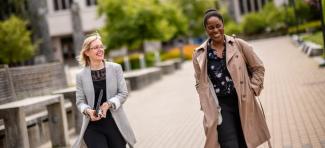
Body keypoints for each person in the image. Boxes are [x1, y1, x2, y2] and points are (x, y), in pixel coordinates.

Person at [192, 9, 271, 148]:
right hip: (220, 106)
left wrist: (253, 89)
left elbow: (258, 67)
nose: (215, 30)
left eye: (218, 26)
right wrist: (205, 103)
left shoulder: (238, 44)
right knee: (229, 144)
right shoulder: (200, 54)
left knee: (245, 143)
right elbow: (199, 82)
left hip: (243, 102)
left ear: (223, 25)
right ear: (206, 29)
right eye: (211, 27)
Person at [72, 33, 136, 148]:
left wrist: (109, 104)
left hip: (115, 123)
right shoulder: (80, 75)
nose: (100, 50)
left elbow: (123, 93)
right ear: (87, 52)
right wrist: (88, 111)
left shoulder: (116, 68)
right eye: (96, 47)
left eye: (101, 46)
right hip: (92, 127)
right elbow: (80, 101)